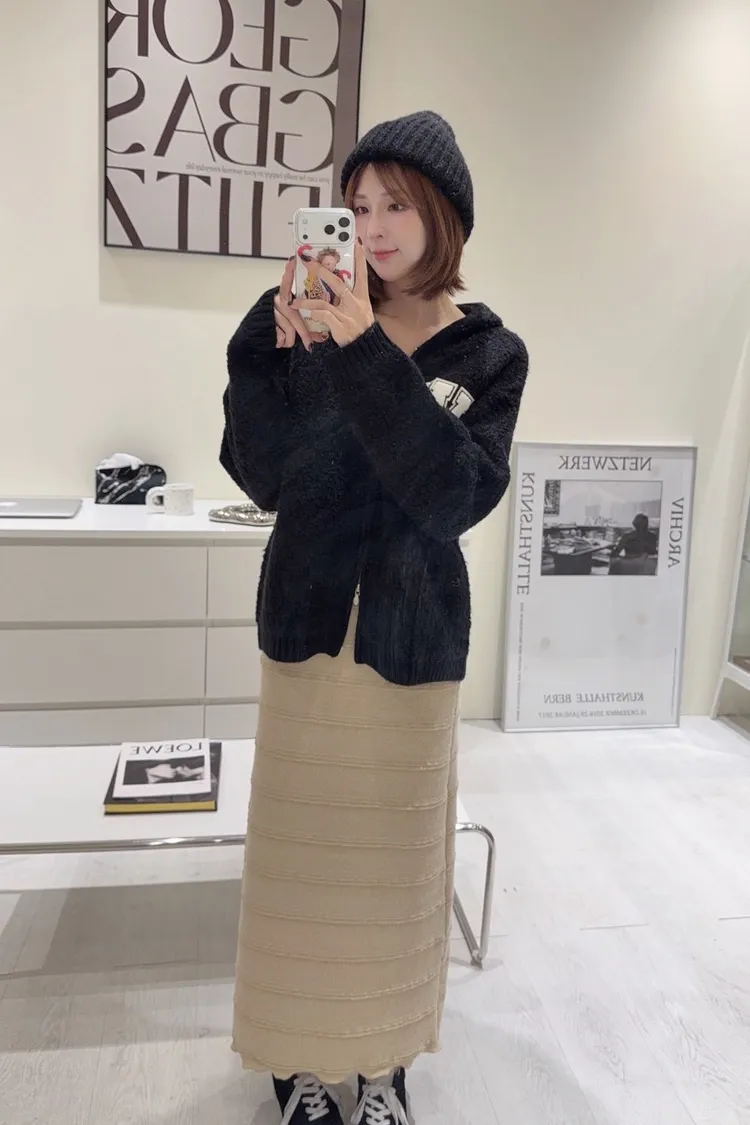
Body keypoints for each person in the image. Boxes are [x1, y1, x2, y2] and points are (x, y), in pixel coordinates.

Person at [220, 110, 529, 1125]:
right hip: (305, 631)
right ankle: (302, 1065)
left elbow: (452, 499)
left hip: (413, 640)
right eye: (358, 205)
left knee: (394, 871)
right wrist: (263, 358)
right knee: (300, 867)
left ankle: (384, 1064)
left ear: (445, 214)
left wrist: (362, 352)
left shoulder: (489, 354)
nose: (375, 226)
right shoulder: (312, 323)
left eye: (397, 204)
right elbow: (269, 479)